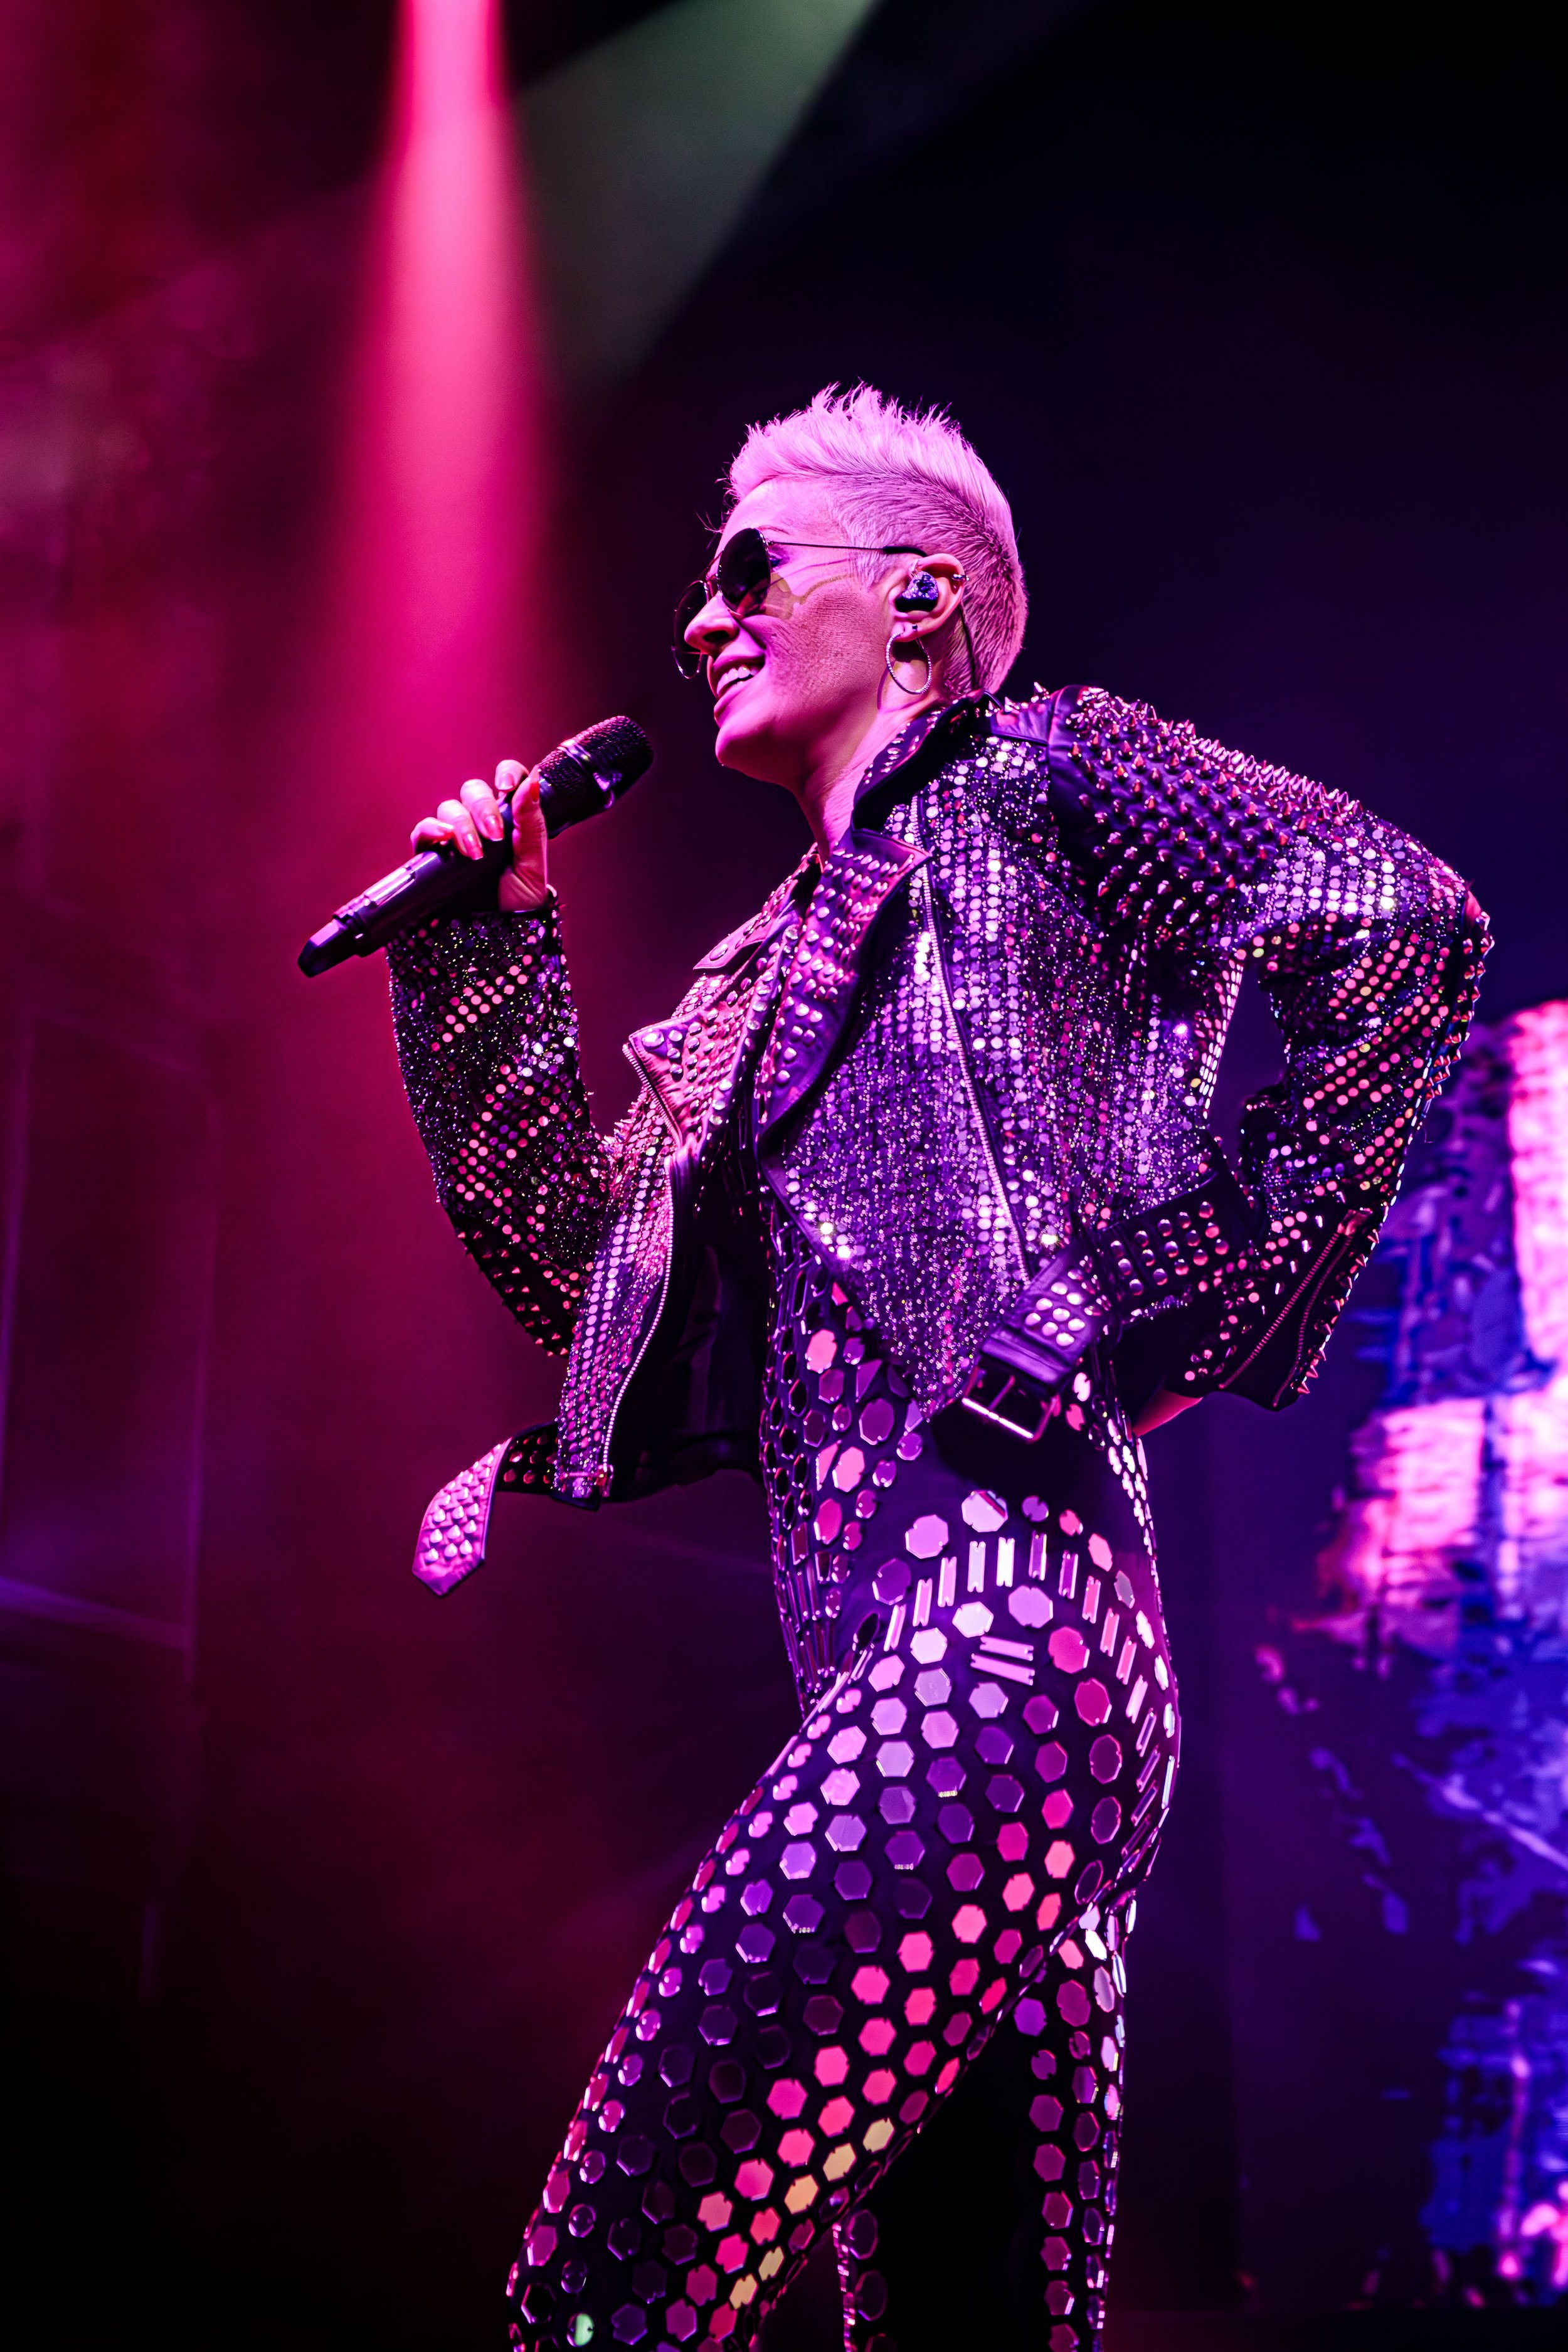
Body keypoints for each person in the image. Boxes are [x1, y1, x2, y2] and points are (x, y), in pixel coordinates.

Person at [388, 387, 1486, 2351]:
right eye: (700, 588)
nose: (704, 619)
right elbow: (581, 1280)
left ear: (916, 599)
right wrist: (481, 957)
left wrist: (1156, 1278)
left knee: (607, 2295)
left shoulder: (1043, 772)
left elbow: (1400, 924)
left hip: (1003, 1649)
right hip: (935, 1694)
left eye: (749, 568)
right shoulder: (748, 986)